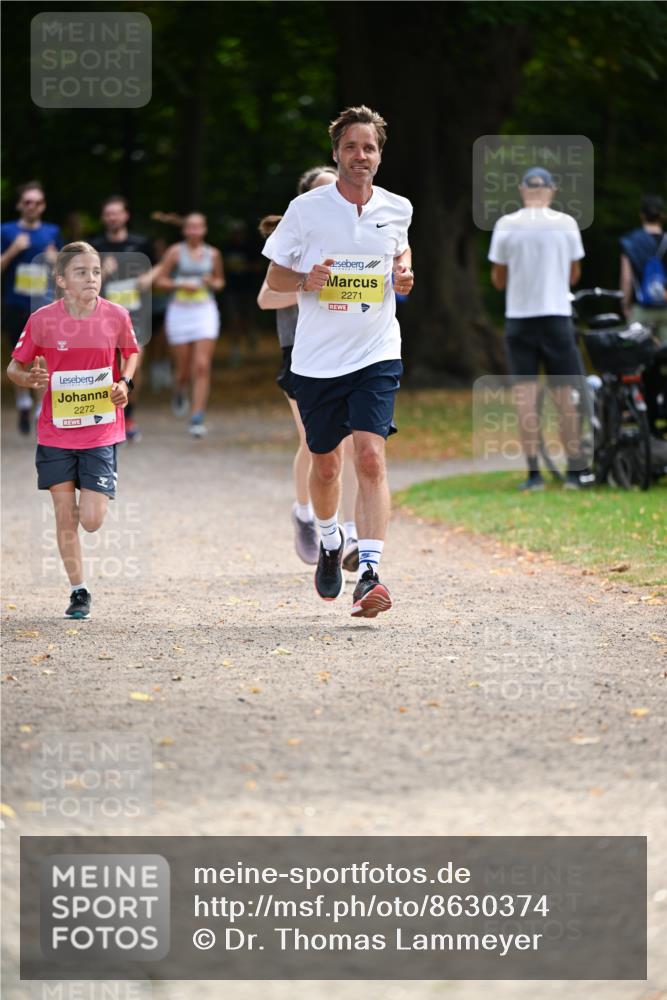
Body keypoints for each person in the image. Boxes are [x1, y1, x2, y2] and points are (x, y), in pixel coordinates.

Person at [262, 105, 414, 618]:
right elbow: (276, 280)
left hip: (376, 351)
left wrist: (403, 274)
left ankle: (369, 572)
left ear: (379, 154)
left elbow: (401, 253)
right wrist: (307, 280)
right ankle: (329, 542)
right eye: (351, 146)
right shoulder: (306, 210)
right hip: (318, 360)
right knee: (325, 467)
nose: (360, 156)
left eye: (369, 147)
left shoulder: (398, 208)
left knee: (370, 457)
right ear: (336, 152)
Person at [6, 242, 138, 619]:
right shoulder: (43, 320)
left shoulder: (116, 316)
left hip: (100, 432)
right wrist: (28, 378)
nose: (91, 278)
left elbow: (130, 352)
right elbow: (14, 368)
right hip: (56, 433)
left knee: (92, 521)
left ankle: (90, 490)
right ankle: (79, 591)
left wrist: (125, 383)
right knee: (65, 514)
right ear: (62, 280)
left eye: (96, 272)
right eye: (81, 272)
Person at [257, 165, 359, 570]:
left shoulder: (357, 235)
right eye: (324, 189)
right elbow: (266, 298)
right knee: (318, 444)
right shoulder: (295, 237)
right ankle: (304, 513)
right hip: (300, 353)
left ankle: (349, 533)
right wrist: (307, 286)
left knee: (350, 445)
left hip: (346, 351)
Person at [489, 166, 593, 492]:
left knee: (525, 398)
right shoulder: (567, 224)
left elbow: (498, 278)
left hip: (519, 319)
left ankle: (534, 474)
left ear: (522, 190)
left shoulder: (506, 225)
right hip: (556, 317)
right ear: (551, 190)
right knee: (566, 394)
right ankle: (575, 473)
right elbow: (574, 274)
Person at [153, 213, 225, 437]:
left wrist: (211, 282)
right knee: (183, 369)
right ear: (185, 230)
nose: (194, 231)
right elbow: (159, 280)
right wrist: (179, 283)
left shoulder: (213, 254)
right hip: (180, 312)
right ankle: (180, 389)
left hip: (205, 311)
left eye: (198, 227)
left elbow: (220, 281)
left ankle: (197, 417)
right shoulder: (175, 252)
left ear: (204, 229)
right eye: (190, 227)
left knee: (201, 365)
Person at [91, 196, 155, 442]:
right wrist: (100, 272)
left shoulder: (141, 243)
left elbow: (159, 266)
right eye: (108, 214)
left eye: (116, 213)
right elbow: (81, 278)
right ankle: (105, 416)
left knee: (134, 365)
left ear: (125, 215)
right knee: (106, 366)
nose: (112, 217)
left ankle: (129, 415)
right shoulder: (95, 245)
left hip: (135, 314)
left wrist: (149, 277)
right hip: (102, 316)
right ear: (103, 217)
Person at [1, 181, 62, 434]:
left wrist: (54, 259)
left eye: (37, 202)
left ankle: (40, 407)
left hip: (43, 304)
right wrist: (13, 250)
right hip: (15, 303)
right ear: (19, 205)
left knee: (45, 354)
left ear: (43, 206)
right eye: (27, 201)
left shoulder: (52, 231)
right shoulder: (6, 231)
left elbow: (64, 270)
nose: (32, 206)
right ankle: (23, 400)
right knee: (20, 355)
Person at [619, 194, 667, 344]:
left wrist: (625, 304)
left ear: (642, 215)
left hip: (640, 308)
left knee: (633, 355)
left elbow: (626, 278)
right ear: (662, 216)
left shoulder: (630, 241)